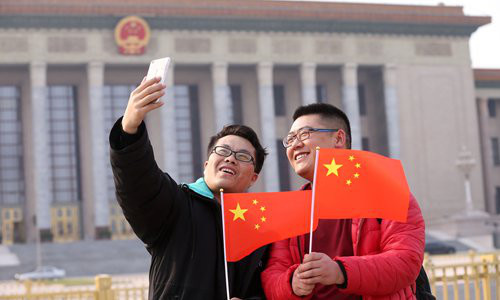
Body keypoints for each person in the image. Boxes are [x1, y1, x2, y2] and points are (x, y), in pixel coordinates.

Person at [109, 76, 268, 300]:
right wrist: (129, 130)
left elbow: (267, 287)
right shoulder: (177, 205)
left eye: (242, 156)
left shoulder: (261, 230)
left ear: (253, 177)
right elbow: (139, 181)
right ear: (206, 165)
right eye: (222, 151)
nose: (230, 159)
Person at [261, 103, 425, 299]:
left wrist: (340, 272)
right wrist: (291, 284)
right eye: (290, 139)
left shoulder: (387, 192)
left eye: (304, 134)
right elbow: (273, 275)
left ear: (338, 138)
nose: (295, 145)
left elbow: (405, 261)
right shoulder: (290, 210)